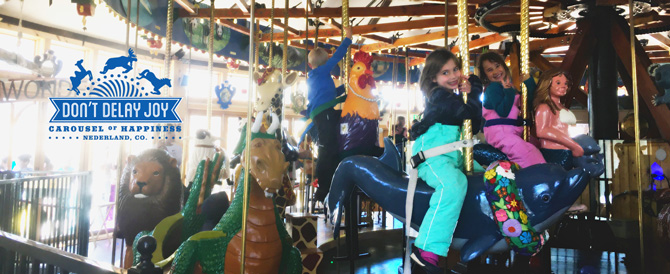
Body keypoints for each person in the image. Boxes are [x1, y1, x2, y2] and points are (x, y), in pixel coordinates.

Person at [409, 48, 483, 273]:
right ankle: (425, 250)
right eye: (445, 72)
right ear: (433, 78)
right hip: (433, 153)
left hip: (453, 154)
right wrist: (476, 89)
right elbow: (469, 114)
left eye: (456, 69)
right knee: (453, 185)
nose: (453, 76)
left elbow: (475, 126)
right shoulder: (439, 96)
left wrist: (471, 93)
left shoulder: (452, 97)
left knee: (491, 173)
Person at [304, 25, 353, 202]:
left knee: (335, 142)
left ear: (310, 63)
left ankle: (331, 180)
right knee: (328, 147)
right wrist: (347, 38)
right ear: (325, 63)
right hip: (324, 113)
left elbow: (328, 95)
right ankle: (323, 187)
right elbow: (339, 55)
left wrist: (345, 89)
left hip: (324, 112)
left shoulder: (316, 77)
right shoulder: (322, 71)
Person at [478, 52, 545, 168]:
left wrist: (529, 83)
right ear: (485, 76)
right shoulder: (492, 88)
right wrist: (508, 91)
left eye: (497, 66)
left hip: (511, 131)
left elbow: (528, 106)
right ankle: (534, 177)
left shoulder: (509, 88)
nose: (496, 71)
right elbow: (503, 111)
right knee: (527, 153)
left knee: (537, 144)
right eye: (490, 70)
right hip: (500, 132)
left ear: (503, 66)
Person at [534, 68, 584, 170]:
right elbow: (542, 131)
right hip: (554, 152)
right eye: (558, 83)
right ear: (547, 84)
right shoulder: (545, 107)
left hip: (566, 151)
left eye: (566, 83)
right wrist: (573, 145)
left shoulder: (562, 107)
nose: (563, 86)